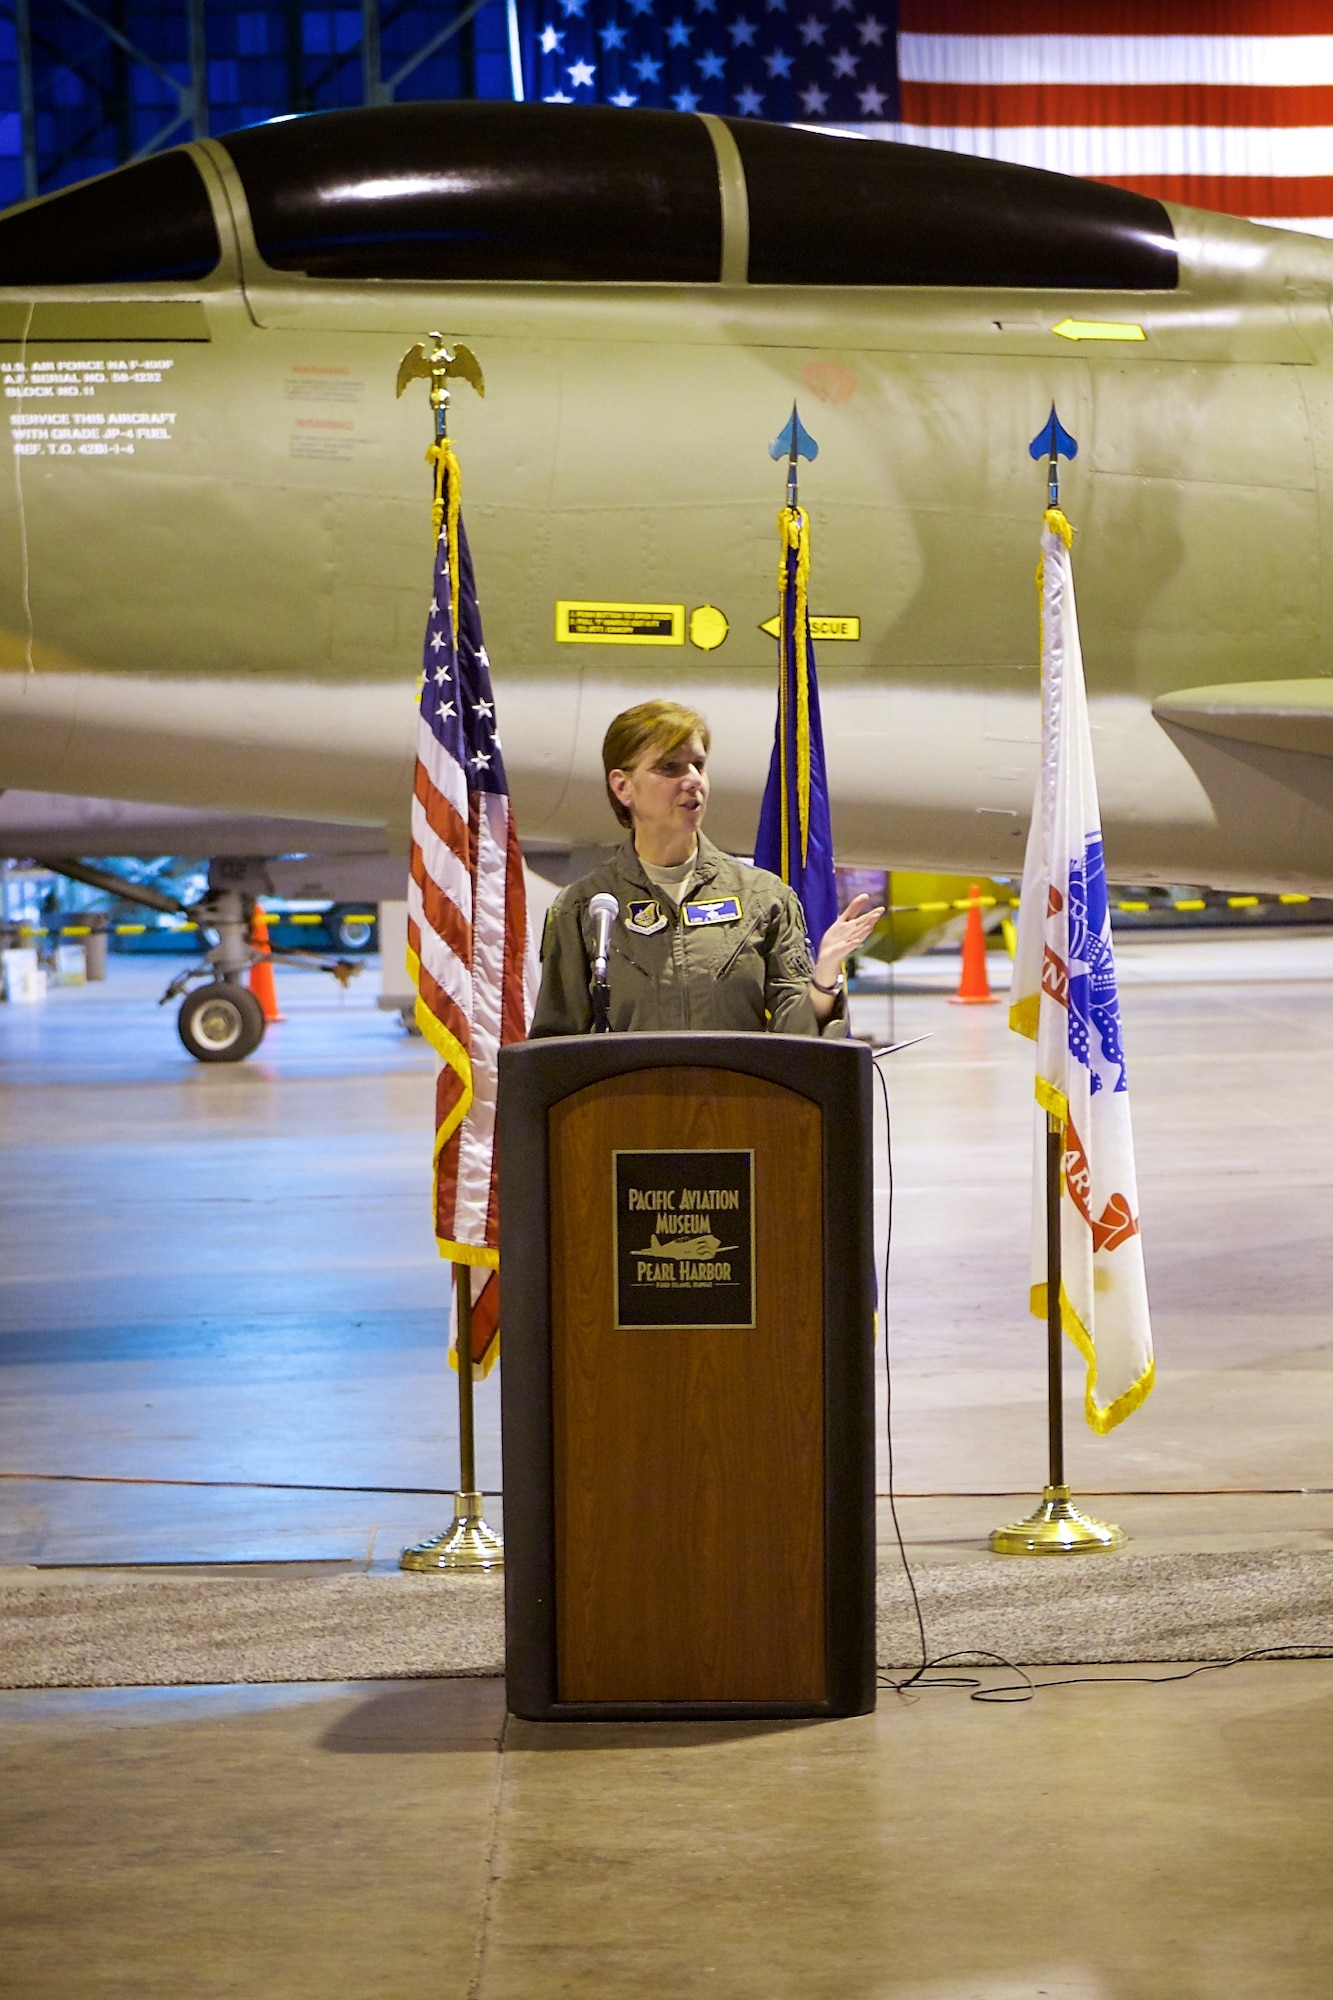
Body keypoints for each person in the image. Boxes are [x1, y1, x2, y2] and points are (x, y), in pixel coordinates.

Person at [530, 699, 884, 1038]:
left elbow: (794, 1036)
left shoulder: (763, 897)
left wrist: (824, 978)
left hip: (737, 1099)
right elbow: (556, 1046)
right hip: (630, 1101)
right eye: (670, 767)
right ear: (623, 786)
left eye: (698, 765)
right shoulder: (585, 907)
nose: (693, 780)